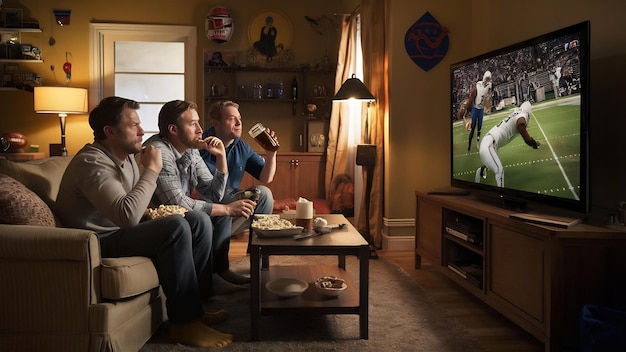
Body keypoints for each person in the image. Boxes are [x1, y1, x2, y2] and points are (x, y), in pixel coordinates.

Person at [54, 96, 232, 348]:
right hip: (96, 241)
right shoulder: (92, 163)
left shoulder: (124, 158)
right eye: (133, 126)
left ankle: (196, 308)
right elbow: (126, 216)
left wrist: (157, 211)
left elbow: (138, 207)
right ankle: (183, 324)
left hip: (118, 231)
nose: (142, 131)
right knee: (175, 227)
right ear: (110, 131)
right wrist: (151, 171)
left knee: (196, 219)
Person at [144, 100, 254, 285]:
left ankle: (219, 272)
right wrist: (226, 209)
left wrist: (221, 157)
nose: (200, 130)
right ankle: (206, 285)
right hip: (156, 220)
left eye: (198, 123)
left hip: (180, 215)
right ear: (173, 130)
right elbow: (177, 203)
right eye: (193, 124)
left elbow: (213, 194)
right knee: (210, 215)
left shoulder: (191, 149)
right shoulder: (160, 151)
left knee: (219, 210)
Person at [200, 100, 276, 237]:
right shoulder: (200, 144)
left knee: (264, 194)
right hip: (208, 206)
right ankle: (213, 236)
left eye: (239, 119)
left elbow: (266, 177)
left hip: (233, 202)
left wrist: (271, 153)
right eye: (231, 119)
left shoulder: (242, 146)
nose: (239, 123)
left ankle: (256, 247)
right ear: (215, 123)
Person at [475, 101, 540, 187]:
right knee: (499, 170)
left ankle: (481, 171)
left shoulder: (517, 112)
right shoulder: (522, 115)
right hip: (490, 143)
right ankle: (501, 196)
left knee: (491, 162)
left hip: (491, 142)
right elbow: (521, 124)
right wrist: (533, 143)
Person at [467, 70, 493, 151]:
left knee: (479, 128)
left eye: (488, 79)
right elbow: (473, 94)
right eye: (487, 78)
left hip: (481, 109)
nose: (487, 80)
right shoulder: (478, 84)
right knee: (472, 127)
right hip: (475, 108)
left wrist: (487, 106)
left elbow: (488, 97)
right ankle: (469, 144)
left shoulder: (489, 86)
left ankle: (477, 142)